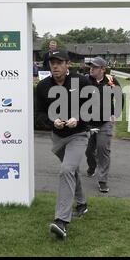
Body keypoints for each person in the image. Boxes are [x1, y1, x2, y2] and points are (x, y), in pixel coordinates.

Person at [35, 49, 91, 239]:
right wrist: (52, 122)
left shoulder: (81, 82)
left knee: (66, 170)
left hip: (79, 134)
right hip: (57, 137)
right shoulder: (42, 86)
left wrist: (79, 118)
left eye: (59, 62)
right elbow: (40, 113)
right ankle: (82, 203)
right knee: (71, 170)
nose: (55, 66)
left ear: (68, 64)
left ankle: (61, 222)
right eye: (52, 63)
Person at [85, 57, 122, 193]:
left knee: (103, 150)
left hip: (105, 122)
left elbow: (119, 97)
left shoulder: (111, 81)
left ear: (102, 69)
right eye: (91, 66)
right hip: (88, 123)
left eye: (94, 67)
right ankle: (92, 166)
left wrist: (116, 114)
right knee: (89, 151)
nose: (91, 69)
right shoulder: (86, 80)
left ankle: (102, 180)